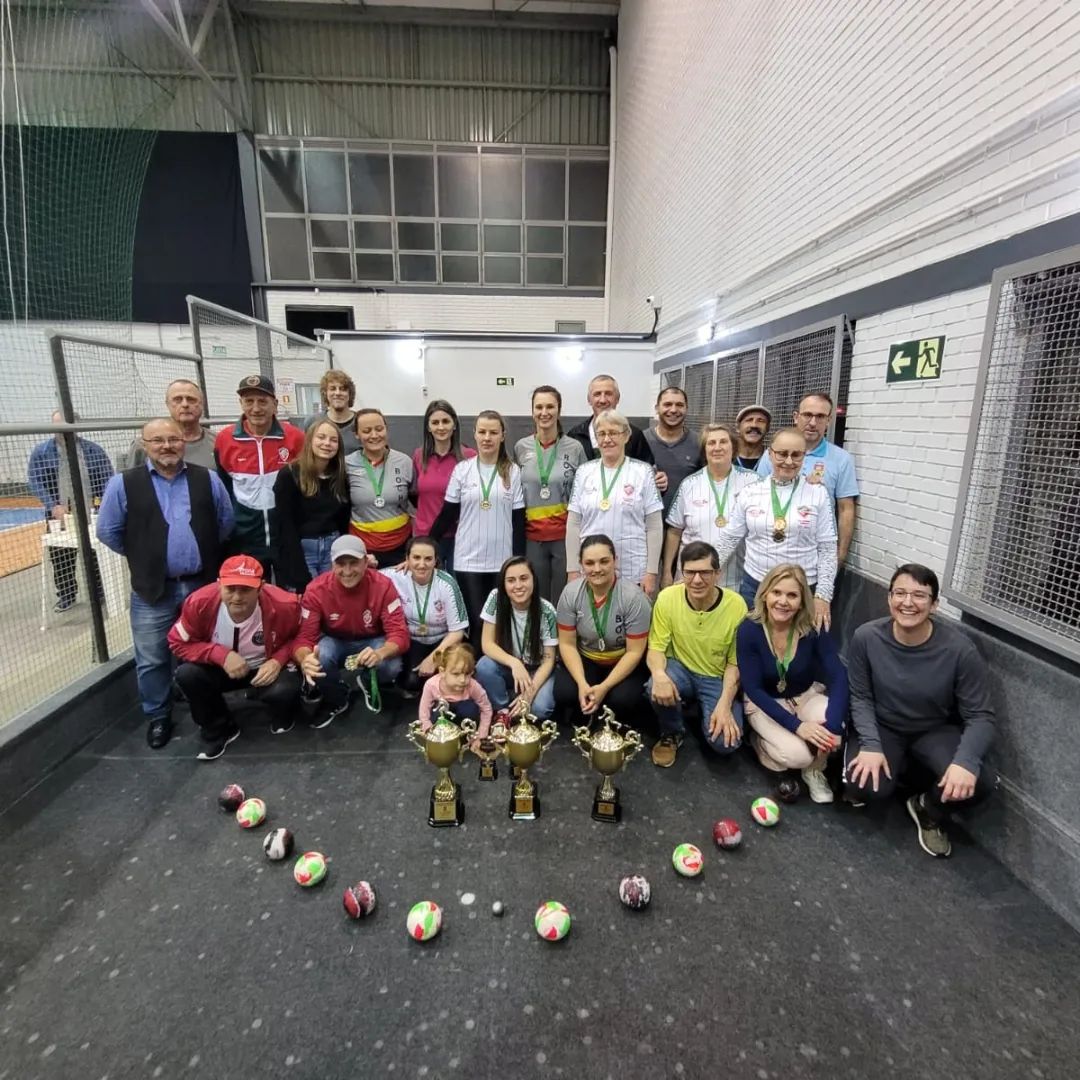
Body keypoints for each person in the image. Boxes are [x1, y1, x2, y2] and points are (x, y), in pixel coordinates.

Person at [96, 418, 234, 749]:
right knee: (153, 657)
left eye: (173, 439)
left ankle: (208, 710)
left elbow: (225, 522)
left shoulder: (208, 479)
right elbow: (108, 532)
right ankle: (158, 716)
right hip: (152, 588)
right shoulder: (123, 484)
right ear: (144, 445)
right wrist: (144, 557)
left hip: (201, 585)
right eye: (157, 440)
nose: (167, 446)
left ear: (183, 442)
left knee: (201, 650)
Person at [843, 564, 997, 858]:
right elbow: (860, 696)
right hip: (883, 725)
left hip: (933, 729)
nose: (908, 602)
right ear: (889, 599)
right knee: (862, 785)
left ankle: (927, 807)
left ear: (935, 604)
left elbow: (981, 716)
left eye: (920, 595)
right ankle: (895, 771)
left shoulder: (960, 650)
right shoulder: (867, 637)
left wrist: (964, 761)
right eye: (900, 593)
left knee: (979, 781)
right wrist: (872, 745)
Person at [168, 555, 303, 760]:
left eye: (245, 590)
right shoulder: (198, 603)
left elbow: (303, 636)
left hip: (264, 667)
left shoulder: (285, 604)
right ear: (219, 584)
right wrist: (220, 655)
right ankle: (219, 729)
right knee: (187, 674)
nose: (237, 597)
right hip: (221, 670)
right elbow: (177, 641)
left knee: (285, 690)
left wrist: (278, 660)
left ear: (261, 587)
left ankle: (281, 712)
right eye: (230, 589)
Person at [736, 563, 848, 803]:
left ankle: (814, 770)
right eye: (777, 593)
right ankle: (759, 743)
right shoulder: (749, 629)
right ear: (765, 594)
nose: (783, 602)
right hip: (766, 702)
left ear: (801, 601)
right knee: (797, 756)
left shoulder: (813, 627)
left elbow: (839, 676)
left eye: (792, 595)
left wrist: (835, 725)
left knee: (831, 726)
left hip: (805, 695)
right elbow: (753, 689)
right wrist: (798, 726)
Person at [713, 428, 837, 629]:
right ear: (770, 454)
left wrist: (823, 595)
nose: (788, 461)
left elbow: (827, 548)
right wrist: (706, 571)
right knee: (754, 645)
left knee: (798, 649)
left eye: (796, 455)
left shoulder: (818, 493)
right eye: (782, 454)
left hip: (802, 589)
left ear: (804, 457)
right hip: (756, 586)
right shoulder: (750, 493)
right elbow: (729, 539)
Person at [646, 541, 747, 768]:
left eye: (705, 572)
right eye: (690, 573)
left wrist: (724, 704)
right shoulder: (667, 598)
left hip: (716, 677)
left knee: (725, 744)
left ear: (718, 574)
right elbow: (656, 649)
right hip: (680, 668)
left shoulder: (736, 606)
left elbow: (734, 663)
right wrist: (660, 676)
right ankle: (672, 732)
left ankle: (702, 710)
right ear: (682, 572)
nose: (697, 580)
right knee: (653, 684)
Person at [294, 535, 409, 727]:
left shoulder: (383, 585)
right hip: (335, 640)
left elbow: (400, 633)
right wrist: (304, 658)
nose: (347, 571)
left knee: (391, 666)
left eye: (353, 563)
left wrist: (380, 653)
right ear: (332, 564)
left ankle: (366, 679)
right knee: (318, 659)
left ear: (366, 561)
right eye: (340, 564)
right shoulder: (315, 590)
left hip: (373, 640)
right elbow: (304, 638)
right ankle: (337, 697)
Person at [430, 410, 525, 640]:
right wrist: (424, 545)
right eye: (482, 432)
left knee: (499, 624)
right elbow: (447, 515)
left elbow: (519, 520)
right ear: (474, 434)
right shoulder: (462, 470)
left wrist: (519, 560)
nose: (487, 438)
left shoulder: (512, 471)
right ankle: (475, 673)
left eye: (493, 432)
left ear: (502, 436)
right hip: (468, 560)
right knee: (476, 623)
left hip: (501, 561)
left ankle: (496, 672)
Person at [554, 534, 652, 725]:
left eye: (604, 561)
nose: (597, 569)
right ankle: (589, 703)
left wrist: (605, 687)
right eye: (589, 563)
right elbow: (566, 644)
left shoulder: (633, 598)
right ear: (581, 565)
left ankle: (608, 705)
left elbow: (635, 652)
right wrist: (582, 684)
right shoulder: (571, 593)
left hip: (623, 660)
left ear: (615, 561)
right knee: (564, 693)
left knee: (622, 700)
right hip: (588, 657)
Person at [566, 409, 664, 598]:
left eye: (613, 433)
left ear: (626, 436)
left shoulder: (643, 472)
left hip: (632, 567)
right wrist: (572, 569)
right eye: (601, 434)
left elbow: (654, 526)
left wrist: (651, 572)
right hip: (592, 568)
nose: (607, 439)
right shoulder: (584, 472)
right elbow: (573, 523)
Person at [214, 375, 304, 572]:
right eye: (249, 401)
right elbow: (224, 487)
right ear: (241, 404)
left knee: (287, 596)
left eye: (263, 401)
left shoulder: (295, 437)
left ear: (275, 404)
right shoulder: (224, 440)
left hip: (285, 534)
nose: (256, 408)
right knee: (253, 596)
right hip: (246, 537)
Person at [757, 392, 858, 567]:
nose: (812, 423)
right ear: (796, 417)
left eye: (820, 416)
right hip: (771, 551)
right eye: (807, 415)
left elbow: (845, 509)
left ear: (829, 420)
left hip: (815, 557)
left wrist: (840, 556)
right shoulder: (771, 455)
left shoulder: (841, 459)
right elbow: (757, 498)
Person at [27, 411, 112, 612]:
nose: (62, 432)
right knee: (60, 554)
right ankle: (66, 594)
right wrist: (52, 505)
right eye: (58, 427)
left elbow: (108, 477)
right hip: (58, 512)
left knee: (94, 551)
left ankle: (98, 591)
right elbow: (35, 481)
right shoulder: (42, 452)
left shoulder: (93, 451)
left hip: (91, 509)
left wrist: (102, 504)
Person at [662, 423, 761, 592]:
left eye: (723, 442)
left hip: (735, 577)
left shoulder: (753, 482)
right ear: (704, 450)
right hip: (691, 577)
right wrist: (666, 573)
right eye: (711, 443)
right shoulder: (690, 484)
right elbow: (674, 531)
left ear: (734, 447)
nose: (717, 448)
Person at [513, 385, 587, 605]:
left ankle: (564, 639)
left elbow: (583, 492)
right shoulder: (520, 447)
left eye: (550, 407)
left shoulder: (575, 448)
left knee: (565, 596)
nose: (544, 412)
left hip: (565, 536)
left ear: (559, 410)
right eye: (539, 407)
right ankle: (541, 638)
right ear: (532, 411)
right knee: (538, 596)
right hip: (532, 537)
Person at [270, 419, 351, 593]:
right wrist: (297, 569)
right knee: (307, 605)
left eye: (333, 440)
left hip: (332, 548)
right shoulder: (289, 475)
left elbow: (343, 521)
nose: (327, 443)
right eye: (321, 437)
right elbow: (285, 525)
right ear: (309, 440)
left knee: (334, 605)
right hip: (303, 550)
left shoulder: (340, 476)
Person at [475, 556, 558, 721]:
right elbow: (487, 644)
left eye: (524, 578)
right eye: (511, 580)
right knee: (484, 666)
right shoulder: (495, 598)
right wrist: (515, 663)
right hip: (510, 667)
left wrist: (530, 692)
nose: (518, 586)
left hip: (538, 670)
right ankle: (503, 711)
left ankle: (520, 697)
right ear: (503, 584)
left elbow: (549, 660)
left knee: (540, 710)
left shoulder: (547, 611)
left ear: (534, 580)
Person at [385, 535, 470, 694]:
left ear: (435, 561)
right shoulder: (394, 575)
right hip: (414, 639)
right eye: (416, 558)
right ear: (407, 558)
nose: (422, 564)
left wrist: (433, 658)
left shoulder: (447, 584)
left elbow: (457, 631)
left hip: (443, 639)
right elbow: (365, 575)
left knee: (450, 681)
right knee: (412, 681)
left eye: (428, 559)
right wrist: (368, 561)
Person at [342, 408, 414, 568]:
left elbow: (417, 503)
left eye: (379, 429)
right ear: (356, 434)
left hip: (401, 546)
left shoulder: (405, 462)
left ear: (386, 429)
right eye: (366, 431)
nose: (374, 435)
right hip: (363, 548)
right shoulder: (346, 465)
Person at [411, 399, 476, 573]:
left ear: (454, 424)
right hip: (426, 536)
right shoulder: (419, 456)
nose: (441, 427)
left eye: (445, 421)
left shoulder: (469, 456)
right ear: (428, 427)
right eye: (435, 422)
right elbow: (415, 495)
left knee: (457, 591)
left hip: (460, 537)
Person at [565, 373, 660, 478]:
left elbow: (648, 475)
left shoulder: (634, 435)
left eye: (608, 394)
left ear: (617, 398)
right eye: (597, 394)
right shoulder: (575, 435)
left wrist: (660, 484)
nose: (603, 400)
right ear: (589, 400)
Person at [127, 379, 215, 470]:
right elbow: (131, 480)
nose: (185, 404)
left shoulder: (217, 442)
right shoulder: (145, 444)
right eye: (177, 400)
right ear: (167, 404)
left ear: (202, 403)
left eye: (191, 399)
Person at [644, 386, 702, 518]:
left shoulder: (699, 442)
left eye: (679, 405)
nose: (673, 410)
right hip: (648, 523)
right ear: (657, 408)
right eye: (667, 404)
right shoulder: (641, 440)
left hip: (687, 524)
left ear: (686, 408)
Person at [418, 643, 493, 735]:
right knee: (438, 712)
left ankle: (466, 738)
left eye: (467, 674)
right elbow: (424, 712)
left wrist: (481, 735)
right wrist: (429, 732)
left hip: (465, 724)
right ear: (442, 671)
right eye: (456, 674)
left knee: (470, 709)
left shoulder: (473, 686)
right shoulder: (431, 685)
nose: (463, 680)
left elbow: (486, 709)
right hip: (442, 726)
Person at [302, 370, 360, 455]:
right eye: (332, 389)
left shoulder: (360, 422)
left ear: (350, 393)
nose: (337, 393)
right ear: (325, 393)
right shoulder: (312, 422)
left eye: (343, 389)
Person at [734, 404, 771, 471]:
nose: (754, 425)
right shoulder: (726, 457)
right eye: (749, 420)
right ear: (738, 428)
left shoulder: (772, 460)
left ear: (767, 428)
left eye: (761, 421)